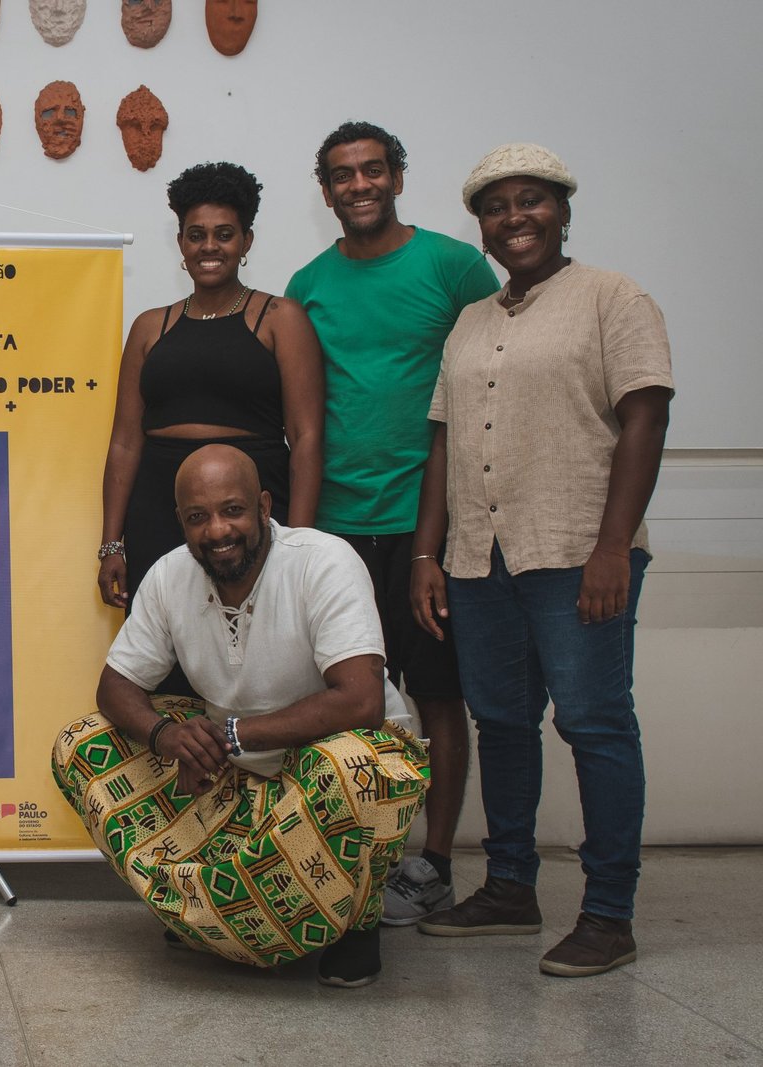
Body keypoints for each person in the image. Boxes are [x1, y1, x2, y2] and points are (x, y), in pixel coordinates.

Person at [410, 144, 673, 978]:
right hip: (480, 560)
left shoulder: (612, 298)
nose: (513, 217)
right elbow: (443, 442)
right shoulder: (472, 321)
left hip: (573, 552)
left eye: (530, 201)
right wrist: (428, 552)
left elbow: (645, 419)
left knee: (595, 725)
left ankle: (608, 914)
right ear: (482, 226)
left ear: (561, 209)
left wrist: (611, 548)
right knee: (505, 725)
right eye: (496, 206)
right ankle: (511, 886)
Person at [56, 445, 427, 987]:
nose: (217, 531)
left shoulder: (323, 561)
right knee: (82, 744)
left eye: (233, 510)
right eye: (197, 517)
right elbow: (115, 688)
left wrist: (231, 734)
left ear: (263, 506)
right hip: (240, 773)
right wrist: (168, 737)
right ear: (180, 520)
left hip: (338, 762)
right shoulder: (168, 576)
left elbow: (359, 700)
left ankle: (354, 921)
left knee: (348, 768)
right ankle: (208, 909)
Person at [286, 121, 500, 925]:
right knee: (337, 698)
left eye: (373, 170)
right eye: (342, 176)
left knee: (439, 696)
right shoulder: (307, 284)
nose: (359, 185)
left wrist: (438, 538)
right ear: (327, 190)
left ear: (398, 177)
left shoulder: (452, 267)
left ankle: (433, 862)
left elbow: (492, 384)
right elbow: (299, 418)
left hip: (429, 531)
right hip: (335, 533)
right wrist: (299, 542)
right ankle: (345, 854)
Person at [98, 162, 323, 695]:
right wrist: (111, 544)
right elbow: (125, 441)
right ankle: (181, 770)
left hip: (250, 504)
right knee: (167, 653)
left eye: (225, 234)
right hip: (159, 507)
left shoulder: (280, 318)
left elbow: (308, 437)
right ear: (179, 243)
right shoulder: (152, 326)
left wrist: (302, 543)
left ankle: (259, 763)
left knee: (262, 651)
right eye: (196, 235)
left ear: (246, 240)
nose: (210, 247)